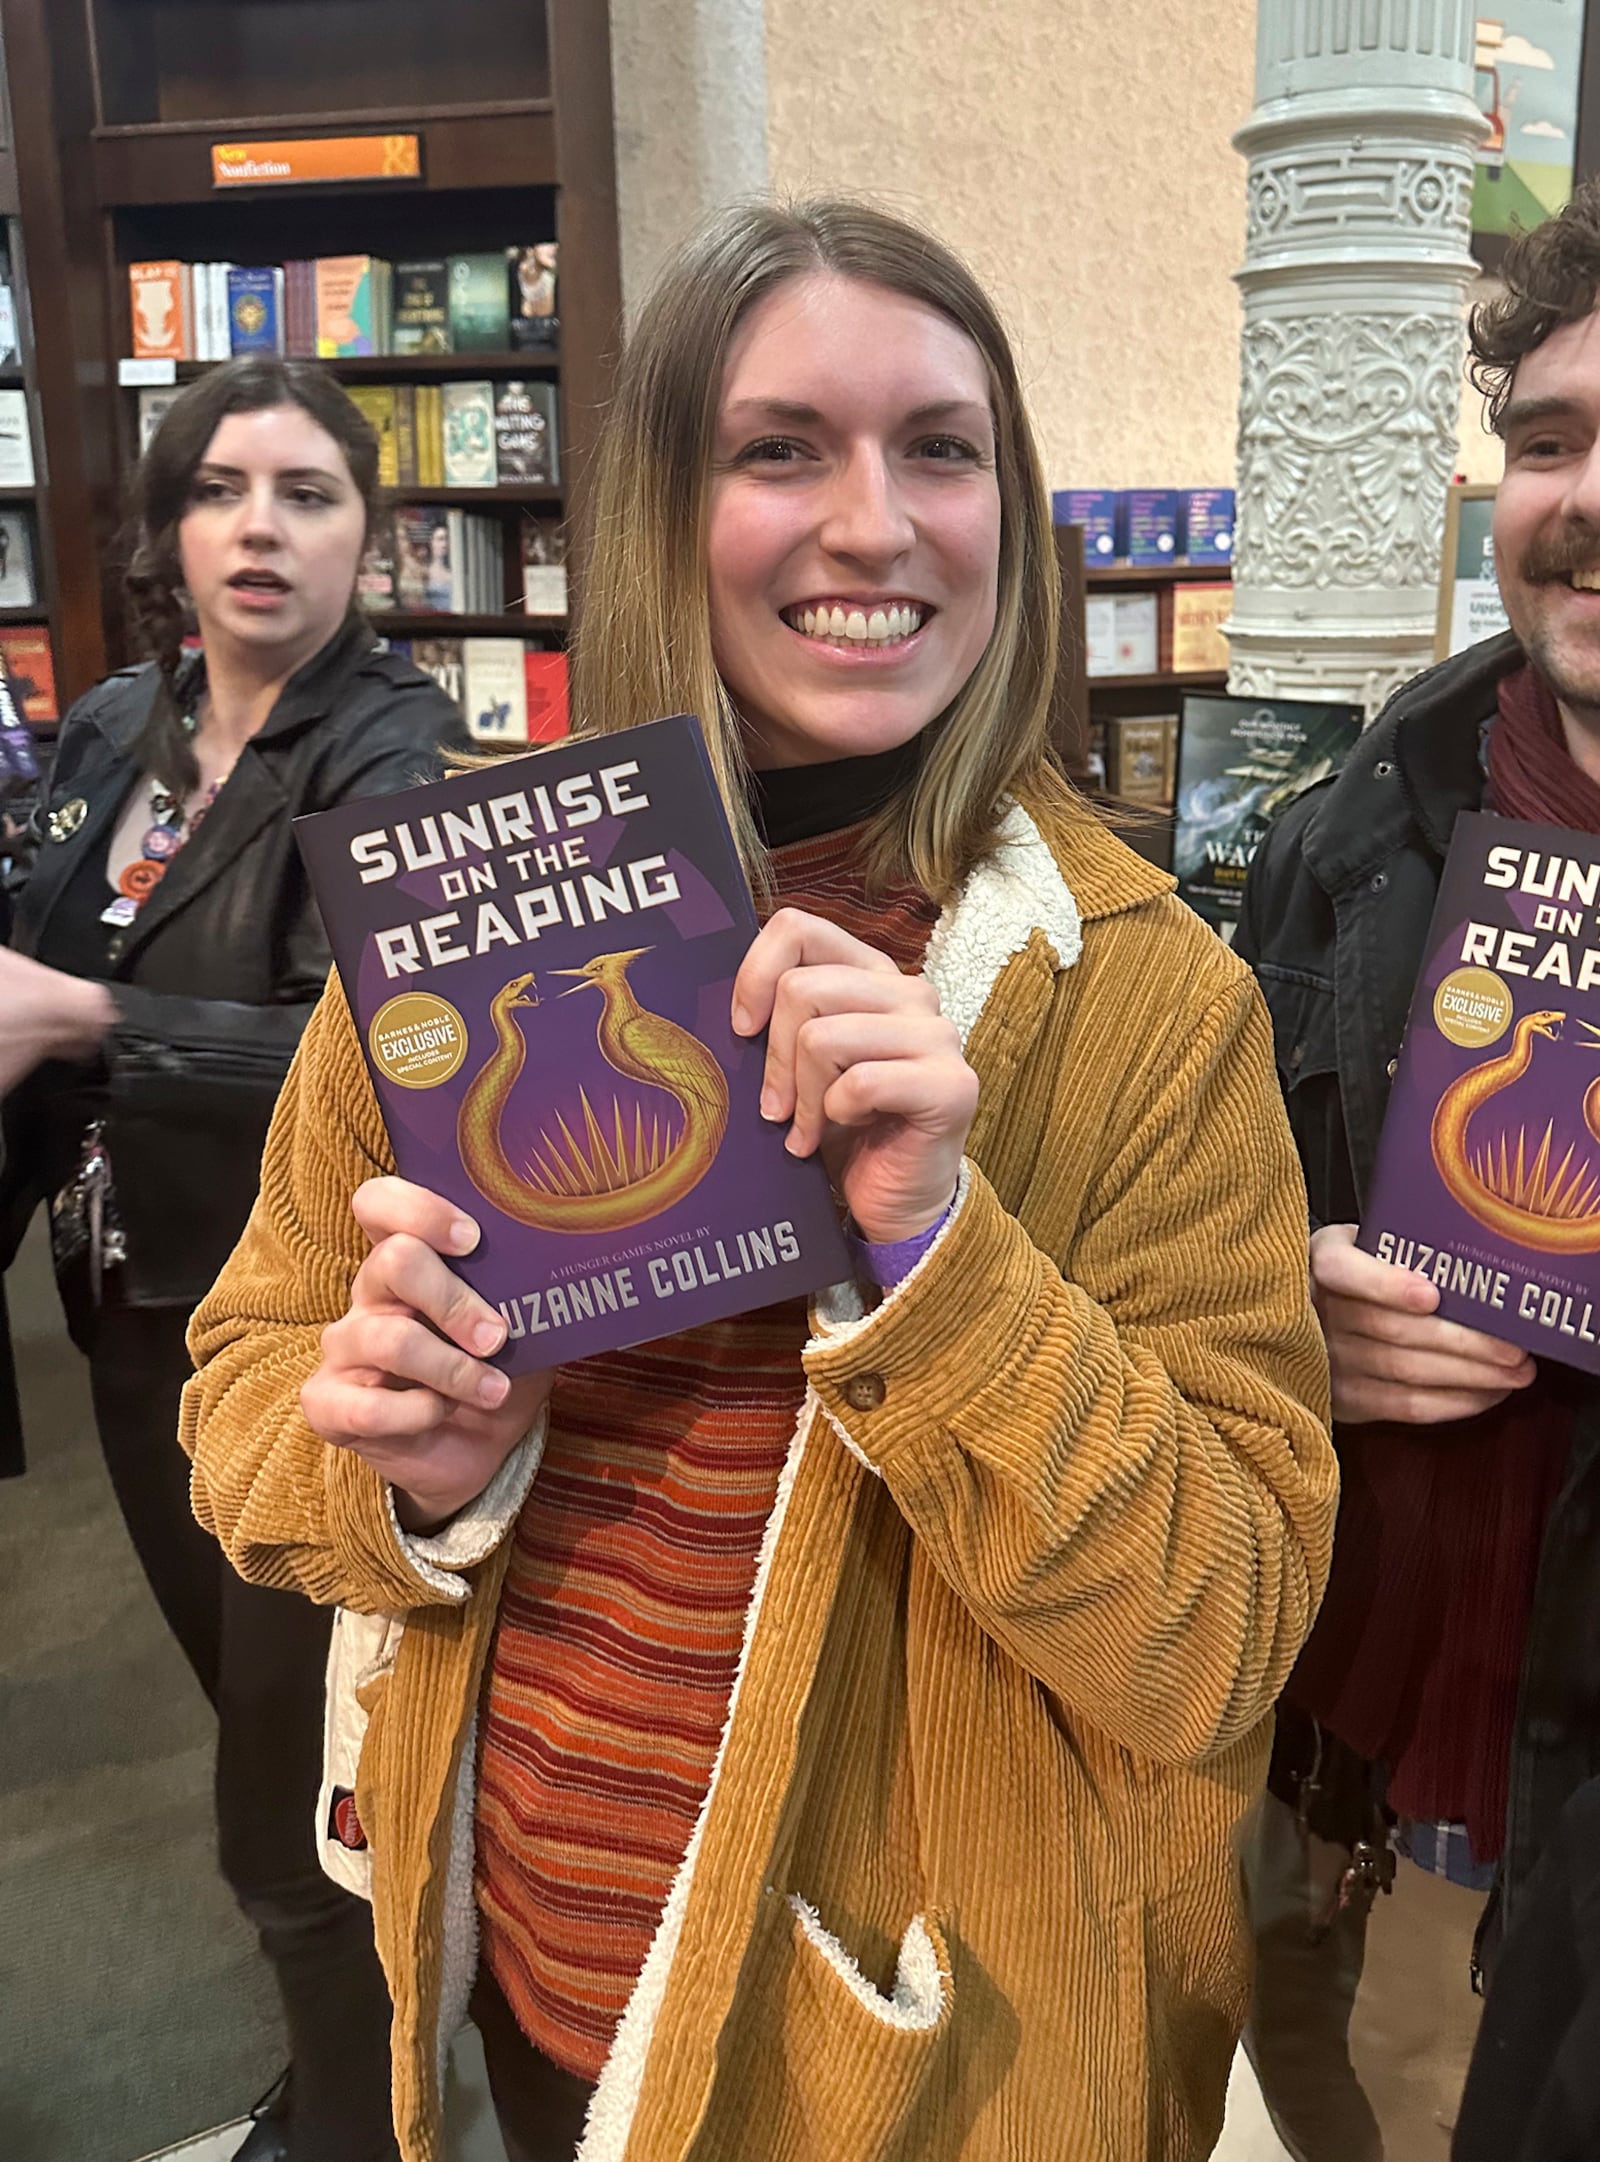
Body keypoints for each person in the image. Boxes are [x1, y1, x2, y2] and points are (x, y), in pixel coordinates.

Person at [181, 200, 1337, 2162]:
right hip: (516, 1971)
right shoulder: (472, 907)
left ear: (1007, 505)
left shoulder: (1136, 989)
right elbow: (240, 1392)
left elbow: (1215, 1629)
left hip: (916, 2062)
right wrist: (409, 1465)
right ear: (659, 508)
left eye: (939, 449)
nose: (873, 525)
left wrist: (939, 1255)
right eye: (779, 447)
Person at [0, 355, 467, 2162]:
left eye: (307, 492)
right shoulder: (119, 725)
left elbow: (393, 1055)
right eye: (219, 489)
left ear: (370, 530)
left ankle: (360, 2119)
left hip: (296, 1325)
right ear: (168, 530)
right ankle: (361, 2060)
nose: (259, 527)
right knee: (253, 1706)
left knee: (285, 1794)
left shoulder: (387, 751)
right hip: (126, 1306)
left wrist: (85, 1018)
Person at [1236, 176, 1600, 2162]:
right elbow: (1192, 1229)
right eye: (1543, 441)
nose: (1580, 495)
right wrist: (1286, 1294)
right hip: (1357, 1771)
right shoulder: (1365, 815)